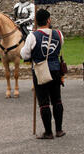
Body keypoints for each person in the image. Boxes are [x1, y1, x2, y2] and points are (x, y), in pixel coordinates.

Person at [20, 9, 65, 140]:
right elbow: (60, 47)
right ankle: (59, 129)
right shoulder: (59, 34)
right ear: (48, 20)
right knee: (57, 100)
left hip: (40, 70)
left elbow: (24, 54)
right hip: (56, 69)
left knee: (44, 102)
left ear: (36, 21)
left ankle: (48, 132)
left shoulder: (32, 36)